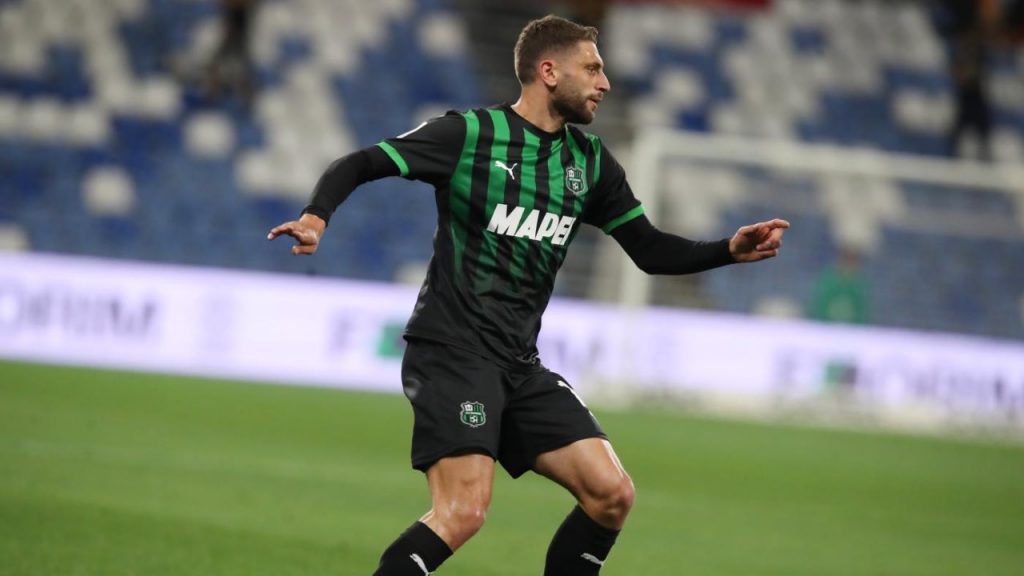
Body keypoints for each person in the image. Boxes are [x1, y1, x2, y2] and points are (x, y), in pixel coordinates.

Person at [268, 15, 789, 575]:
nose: (605, 82)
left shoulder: (590, 162)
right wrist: (316, 216)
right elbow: (361, 162)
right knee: (463, 512)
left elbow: (649, 249)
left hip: (518, 363)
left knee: (611, 494)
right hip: (453, 352)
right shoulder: (470, 135)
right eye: (592, 68)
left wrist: (726, 250)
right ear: (549, 71)